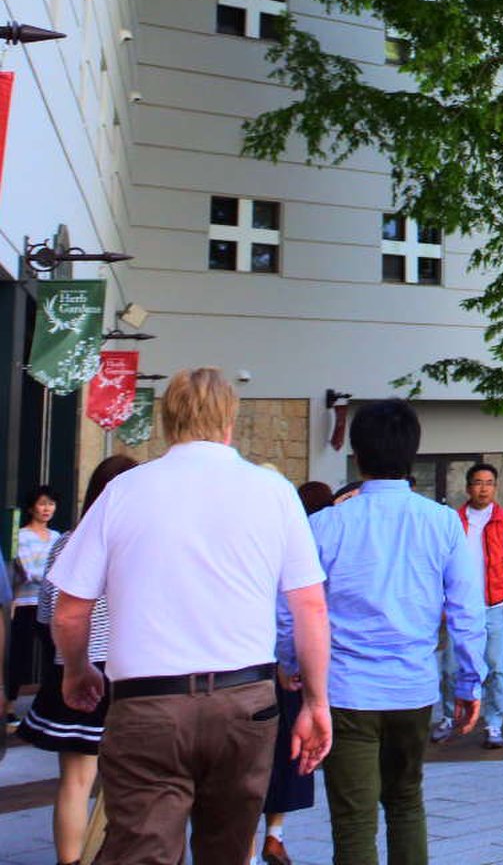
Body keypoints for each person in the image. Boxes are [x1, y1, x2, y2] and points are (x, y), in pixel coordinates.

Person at [49, 367, 331, 865]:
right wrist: (315, 701)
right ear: (230, 419)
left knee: (140, 849)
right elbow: (309, 605)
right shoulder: (274, 492)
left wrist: (77, 670)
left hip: (148, 704)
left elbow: (71, 613)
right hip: (246, 700)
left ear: (166, 420)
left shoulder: (124, 491)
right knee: (228, 851)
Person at [286, 401, 484, 865]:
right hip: (413, 689)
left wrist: (289, 662)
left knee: (353, 820)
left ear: (357, 453)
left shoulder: (325, 524)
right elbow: (466, 611)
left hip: (345, 691)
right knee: (406, 803)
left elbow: (294, 606)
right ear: (412, 452)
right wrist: (469, 681)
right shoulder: (442, 523)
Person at [20, 457, 136, 865]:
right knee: (128, 782)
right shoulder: (139, 543)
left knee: (74, 779)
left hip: (73, 663)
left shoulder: (67, 541)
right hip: (128, 669)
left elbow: (48, 611)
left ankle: (70, 861)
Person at [254, 481, 336, 865]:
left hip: (248, 666)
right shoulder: (298, 546)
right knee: (286, 752)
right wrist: (291, 665)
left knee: (250, 758)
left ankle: (249, 846)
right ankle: (275, 834)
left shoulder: (258, 542)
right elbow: (301, 612)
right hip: (283, 668)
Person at [432, 463, 503, 749]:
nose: (483, 488)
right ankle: (447, 717)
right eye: (478, 482)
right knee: (450, 667)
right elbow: (441, 563)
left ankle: (494, 724)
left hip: (495, 604)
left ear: (496, 487)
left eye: (489, 482)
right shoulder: (453, 520)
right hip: (461, 606)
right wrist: (443, 600)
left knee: (495, 666)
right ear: (468, 487)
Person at [8, 484, 60, 704]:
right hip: (26, 603)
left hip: (50, 603)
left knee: (54, 655)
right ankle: (8, 704)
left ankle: (51, 703)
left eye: (51, 503)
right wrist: (52, 577)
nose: (47, 509)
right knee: (19, 655)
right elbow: (29, 572)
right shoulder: (21, 535)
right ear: (31, 508)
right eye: (42, 504)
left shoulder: (57, 536)